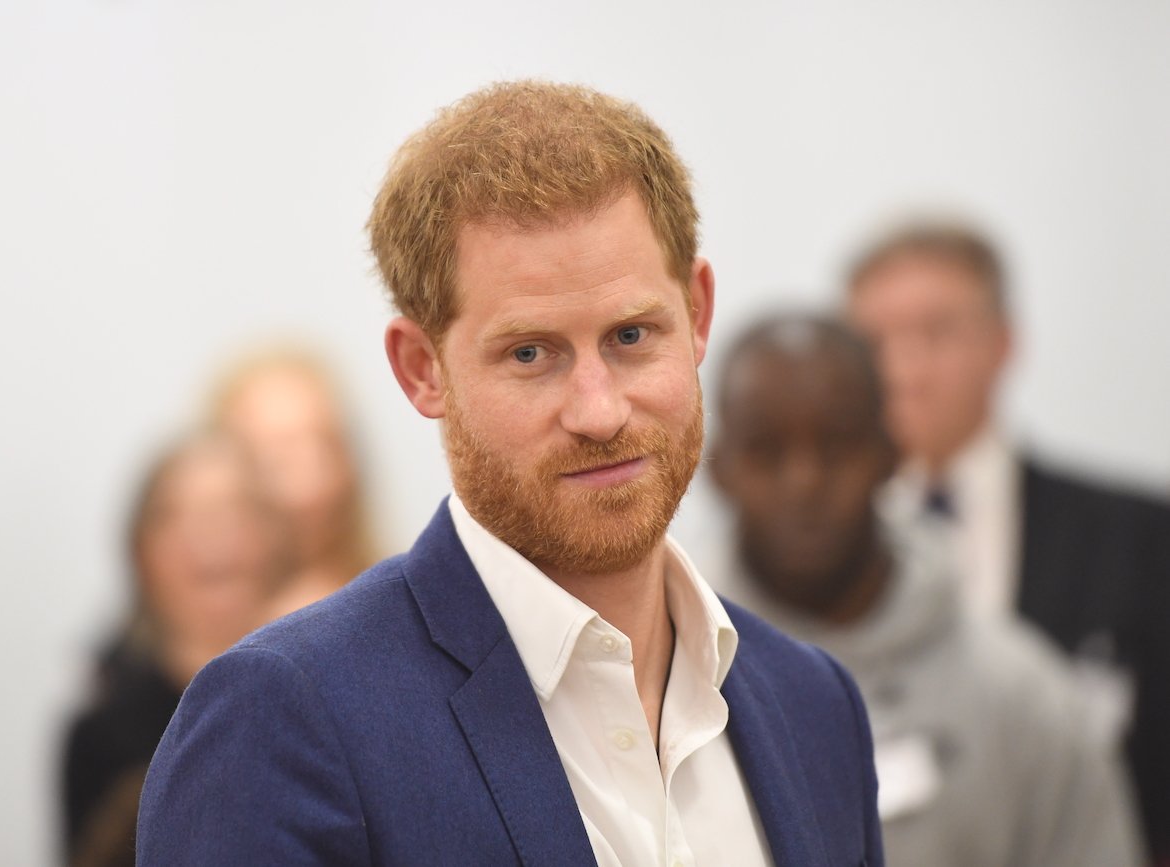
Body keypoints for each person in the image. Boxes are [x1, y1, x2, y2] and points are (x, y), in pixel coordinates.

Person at [136, 81, 883, 866]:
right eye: (530, 353)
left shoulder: (815, 708)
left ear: (696, 313)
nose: (599, 411)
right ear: (422, 368)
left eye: (632, 335)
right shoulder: (285, 722)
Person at [708, 313, 1144, 867]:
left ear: (891, 454)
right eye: (766, 450)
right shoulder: (665, 678)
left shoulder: (1023, 700)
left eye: (837, 446)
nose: (804, 482)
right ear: (717, 468)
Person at [844, 220, 1170, 858]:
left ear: (1003, 342)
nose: (904, 368)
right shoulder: (802, 559)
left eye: (937, 332)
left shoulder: (1140, 540)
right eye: (874, 341)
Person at [62, 433, 287, 866]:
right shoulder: (100, 734)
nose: (210, 535)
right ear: (140, 551)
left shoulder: (331, 692)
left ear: (276, 539)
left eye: (233, 510)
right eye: (178, 516)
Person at [209, 347, 380, 617]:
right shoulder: (179, 628)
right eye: (275, 459)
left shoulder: (397, 605)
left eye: (325, 448)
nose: (309, 487)